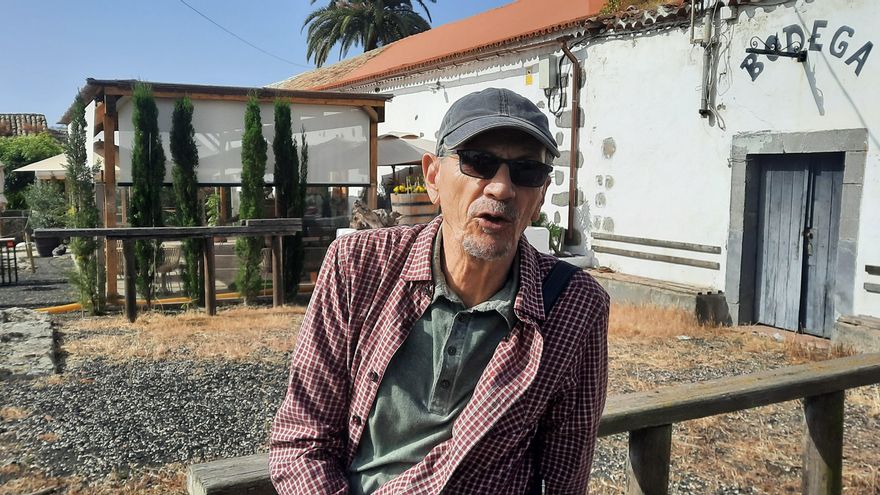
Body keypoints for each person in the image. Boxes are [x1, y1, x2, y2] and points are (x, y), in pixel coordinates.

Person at [269, 88, 609, 494]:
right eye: (478, 162)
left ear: (540, 195)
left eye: (526, 172)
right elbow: (301, 440)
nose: (501, 188)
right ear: (432, 176)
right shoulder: (358, 266)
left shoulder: (575, 306)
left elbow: (564, 478)